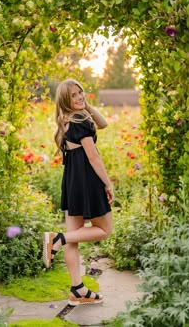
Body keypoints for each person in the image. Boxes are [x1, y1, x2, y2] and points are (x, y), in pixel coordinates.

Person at [43, 78, 114, 306]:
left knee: (72, 237)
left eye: (81, 92)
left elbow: (102, 124)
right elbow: (93, 156)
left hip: (72, 180)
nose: (80, 97)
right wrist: (108, 183)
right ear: (65, 100)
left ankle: (77, 290)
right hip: (88, 180)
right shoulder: (81, 121)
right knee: (104, 229)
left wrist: (86, 106)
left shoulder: (66, 121)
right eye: (74, 95)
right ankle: (57, 238)